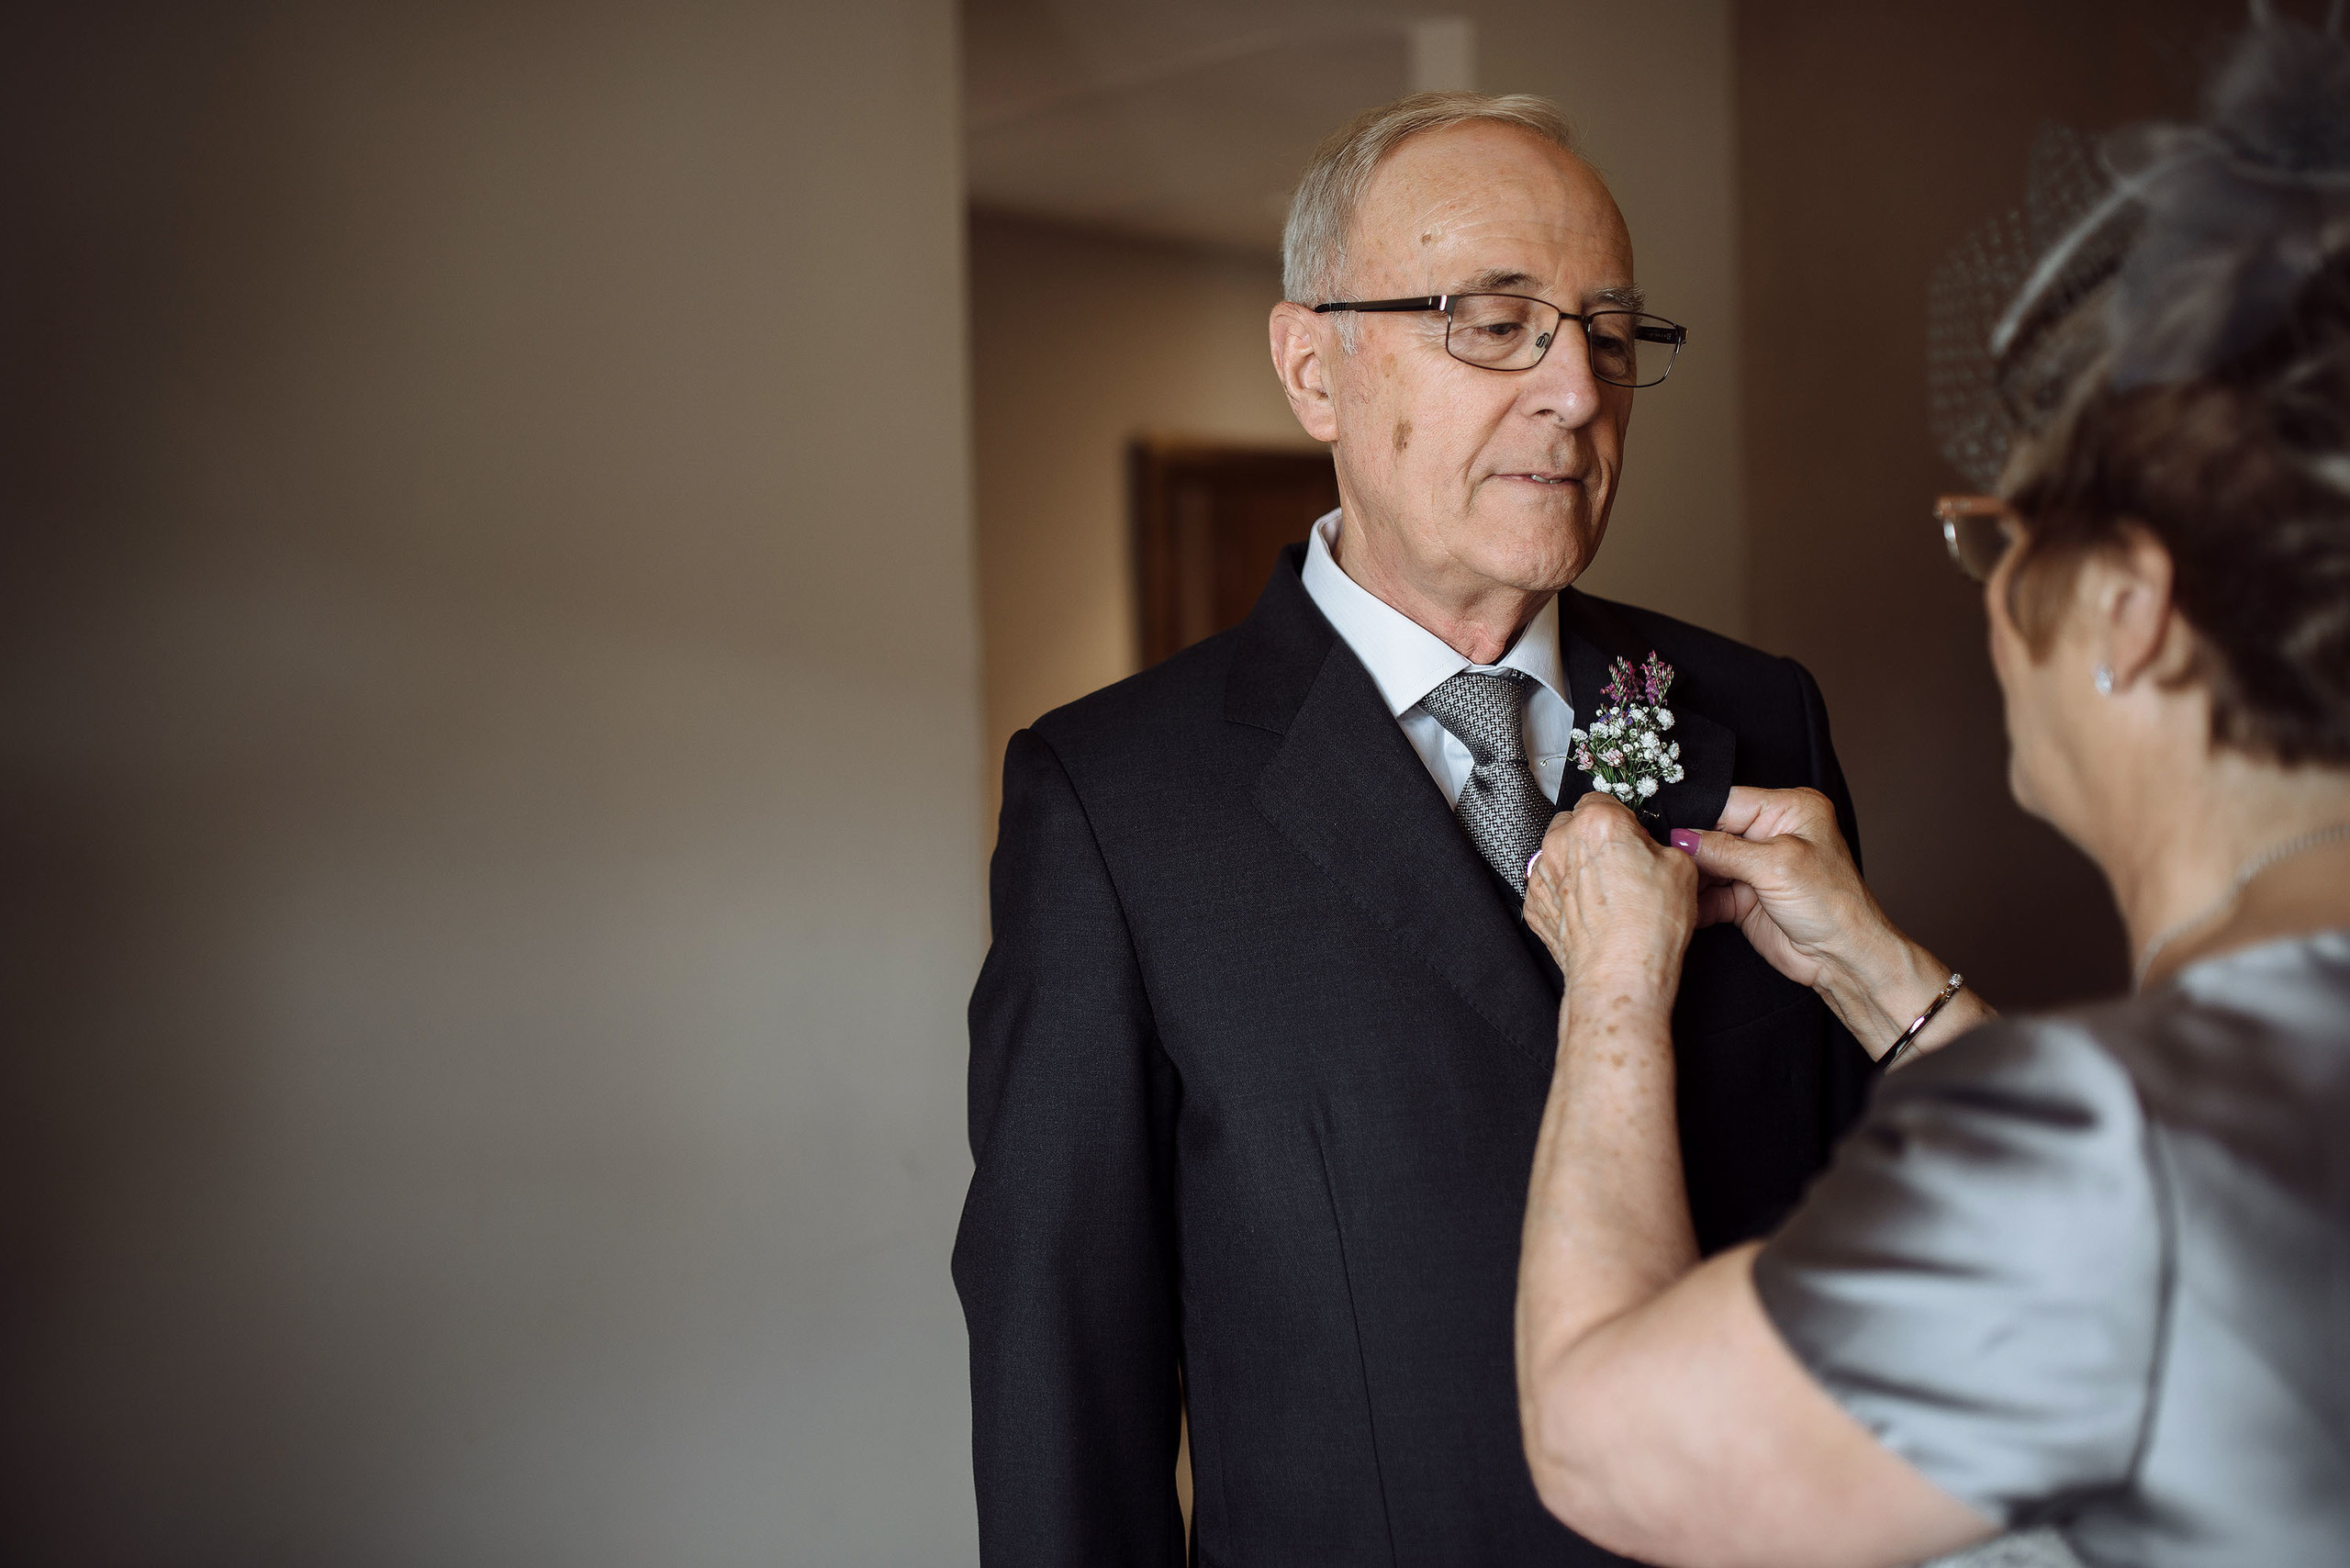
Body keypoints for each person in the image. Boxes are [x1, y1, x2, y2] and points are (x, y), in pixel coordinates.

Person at [952, 91, 1874, 1564]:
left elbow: (1868, 1227)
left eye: (1605, 331)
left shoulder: (1759, 719)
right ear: (1314, 366)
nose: (1577, 390)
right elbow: (1068, 1380)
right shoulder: (1115, 805)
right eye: (1497, 323)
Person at [1512, 16, 2350, 1567]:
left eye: (2000, 547)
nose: (1989, 606)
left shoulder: (2108, 1137)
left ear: (2128, 611)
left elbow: (1597, 1439)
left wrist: (1616, 988)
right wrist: (1882, 973)